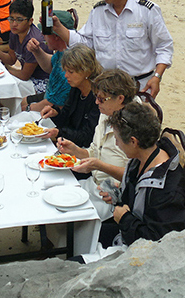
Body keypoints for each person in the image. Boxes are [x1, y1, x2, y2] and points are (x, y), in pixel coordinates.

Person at [52, 0, 173, 98]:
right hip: (105, 89)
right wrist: (59, 28)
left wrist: (157, 77)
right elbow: (85, 44)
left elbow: (164, 46)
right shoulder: (98, 12)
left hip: (140, 88)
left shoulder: (146, 11)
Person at [98, 101, 185, 248]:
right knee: (87, 232)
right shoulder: (140, 160)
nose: (117, 144)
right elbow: (136, 202)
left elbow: (158, 243)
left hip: (145, 254)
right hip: (129, 235)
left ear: (133, 141)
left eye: (117, 139)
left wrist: (124, 219)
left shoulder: (167, 190)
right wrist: (118, 196)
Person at [56, 69, 135, 218]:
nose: (96, 102)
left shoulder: (134, 126)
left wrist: (99, 165)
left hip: (114, 196)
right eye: (96, 97)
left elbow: (137, 175)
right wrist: (75, 150)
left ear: (120, 99)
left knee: (66, 213)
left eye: (101, 98)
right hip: (94, 184)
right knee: (57, 192)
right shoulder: (106, 114)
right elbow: (94, 151)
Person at [0, 0, 51, 95]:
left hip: (43, 82)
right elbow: (11, 60)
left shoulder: (33, 42)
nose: (14, 24)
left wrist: (4, 71)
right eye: (11, 19)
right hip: (28, 76)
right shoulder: (15, 33)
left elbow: (24, 76)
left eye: (19, 20)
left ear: (30, 21)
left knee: (0, 84)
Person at [39, 43, 102, 147]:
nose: (66, 75)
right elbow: (66, 119)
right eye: (66, 71)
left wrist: (59, 133)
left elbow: (88, 137)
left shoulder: (98, 97)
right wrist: (55, 113)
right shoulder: (76, 89)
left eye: (71, 72)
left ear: (87, 71)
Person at [24, 31, 71, 112]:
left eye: (45, 32)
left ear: (56, 36)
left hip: (55, 106)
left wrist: (28, 108)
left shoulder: (68, 67)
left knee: (22, 107)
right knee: (23, 101)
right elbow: (50, 64)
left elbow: (54, 103)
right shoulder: (62, 52)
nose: (42, 35)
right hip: (49, 94)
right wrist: (36, 51)